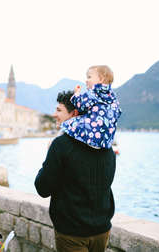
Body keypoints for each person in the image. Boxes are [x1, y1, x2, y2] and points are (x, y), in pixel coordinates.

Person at [35, 91, 116, 252]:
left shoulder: (61, 145)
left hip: (72, 233)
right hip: (102, 229)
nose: (54, 114)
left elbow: (42, 188)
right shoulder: (107, 147)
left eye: (59, 110)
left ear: (75, 113)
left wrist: (49, 155)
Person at [61, 65, 122, 149]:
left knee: (69, 124)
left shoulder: (93, 93)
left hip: (92, 132)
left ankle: (65, 139)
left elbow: (81, 105)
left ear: (101, 79)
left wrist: (76, 94)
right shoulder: (113, 96)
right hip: (105, 138)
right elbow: (118, 112)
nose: (86, 80)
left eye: (89, 77)